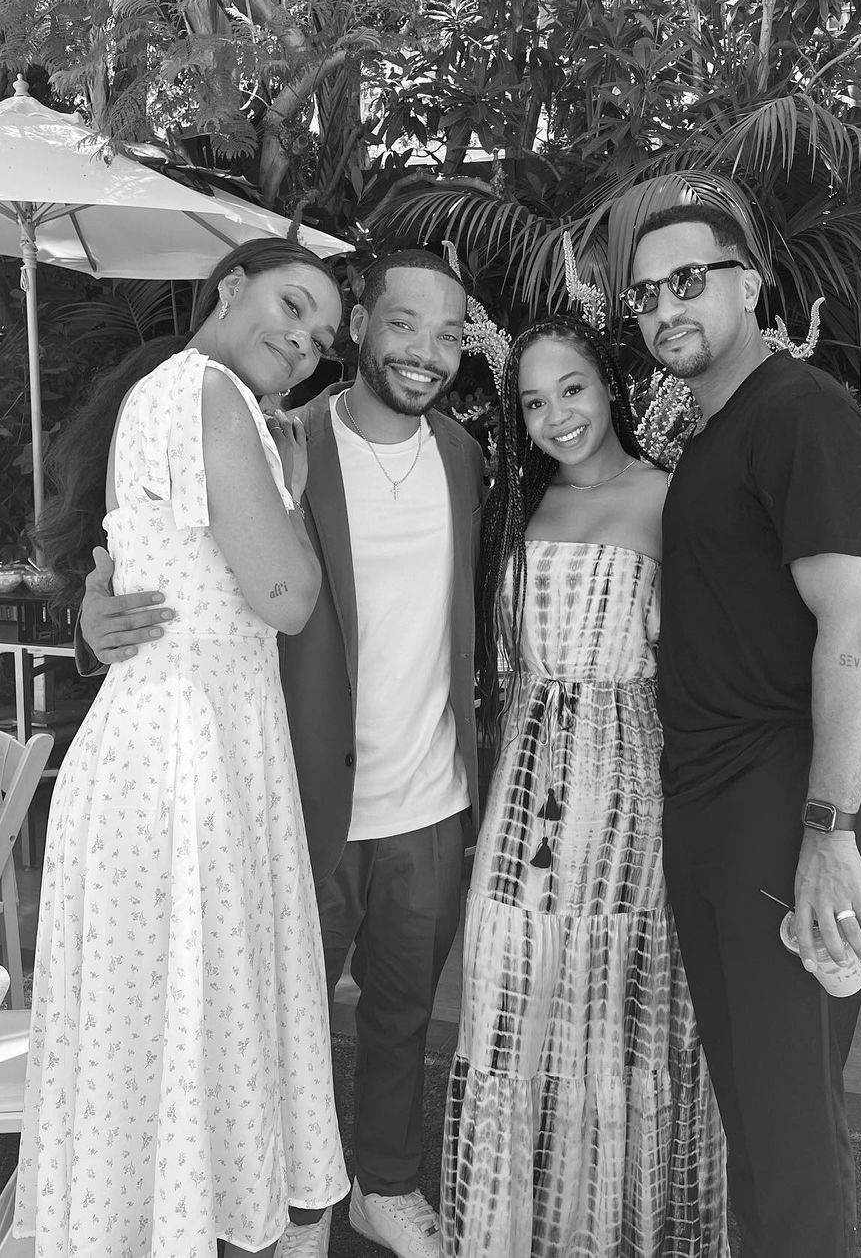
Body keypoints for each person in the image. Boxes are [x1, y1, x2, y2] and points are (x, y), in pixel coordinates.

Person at [77, 249, 484, 1258]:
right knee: (269, 1021)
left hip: (429, 794)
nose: (426, 352)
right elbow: (153, 550)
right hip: (290, 790)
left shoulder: (468, 456)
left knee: (403, 1015)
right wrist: (95, 618)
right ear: (364, 330)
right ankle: (294, 1207)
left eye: (448, 334)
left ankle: (382, 1184)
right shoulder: (276, 429)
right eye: (403, 323)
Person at [15, 238, 350, 1257]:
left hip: (173, 745)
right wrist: (291, 491)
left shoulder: (176, 394)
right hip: (182, 758)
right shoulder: (206, 391)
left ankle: (150, 1223)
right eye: (292, 306)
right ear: (231, 286)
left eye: (322, 336)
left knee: (154, 1026)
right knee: (184, 1011)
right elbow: (287, 595)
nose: (304, 341)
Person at [624, 203, 861, 1258]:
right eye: (646, 293)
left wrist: (829, 829)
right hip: (716, 804)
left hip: (788, 804)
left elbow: (853, 624)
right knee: (752, 1101)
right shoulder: (718, 431)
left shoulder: (798, 410)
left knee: (790, 1125)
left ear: (750, 283)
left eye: (689, 280)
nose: (666, 307)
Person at [442, 315, 727, 1257]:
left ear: (609, 384)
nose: (557, 414)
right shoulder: (514, 505)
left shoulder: (670, 495)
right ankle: (514, 1231)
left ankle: (608, 1235)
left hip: (628, 784)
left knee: (614, 1003)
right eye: (533, 401)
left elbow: (712, 651)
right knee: (512, 985)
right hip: (525, 781)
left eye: (572, 388)